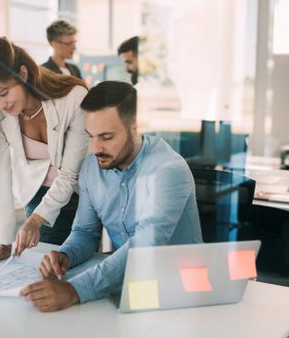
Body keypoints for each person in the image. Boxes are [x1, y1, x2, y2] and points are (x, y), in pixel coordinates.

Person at [19, 81, 203, 312]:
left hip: (182, 290)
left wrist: (75, 290)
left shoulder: (168, 170)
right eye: (91, 136)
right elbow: (85, 232)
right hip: (131, 285)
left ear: (135, 127)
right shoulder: (91, 168)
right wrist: (66, 255)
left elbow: (145, 246)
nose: (96, 148)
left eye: (106, 137)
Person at [0, 37, 89, 265]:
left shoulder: (74, 98)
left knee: (76, 258)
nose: (0, 105)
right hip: (37, 192)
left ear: (22, 74)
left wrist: (37, 219)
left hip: (81, 191)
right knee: (41, 263)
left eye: (3, 93)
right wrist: (3, 242)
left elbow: (70, 175)